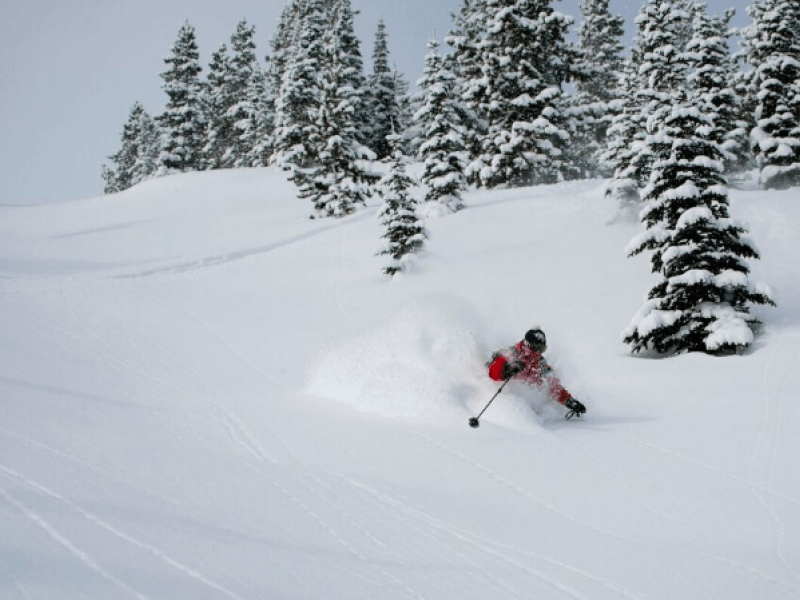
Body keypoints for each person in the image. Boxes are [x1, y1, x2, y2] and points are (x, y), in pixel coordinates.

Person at [487, 327, 586, 417]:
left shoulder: (541, 364)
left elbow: (554, 386)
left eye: (542, 348)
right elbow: (492, 374)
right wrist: (508, 370)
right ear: (528, 344)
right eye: (537, 347)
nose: (539, 351)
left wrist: (569, 401)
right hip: (504, 403)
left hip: (526, 408)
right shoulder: (511, 353)